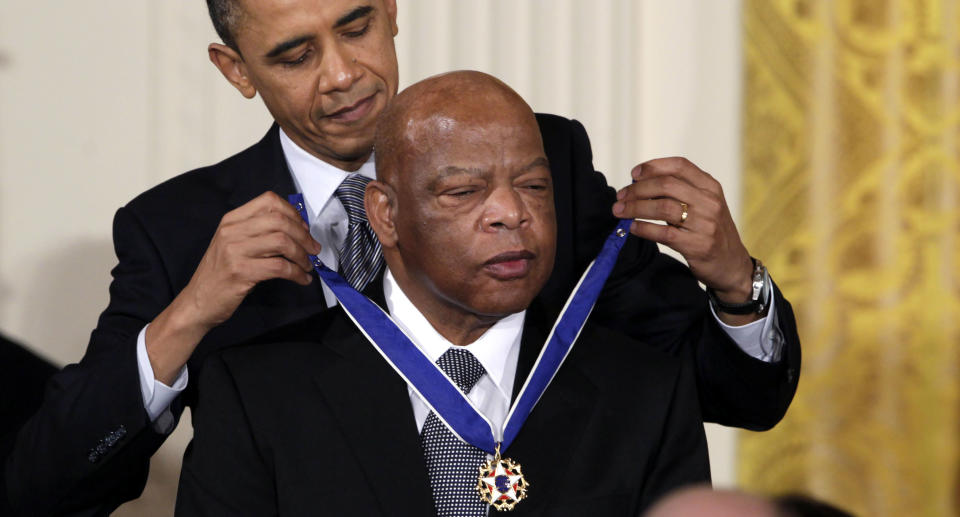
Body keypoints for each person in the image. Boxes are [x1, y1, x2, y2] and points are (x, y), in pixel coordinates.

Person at [4, 0, 800, 514]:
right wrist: (187, 315)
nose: (343, 73)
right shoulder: (180, 228)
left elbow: (731, 392)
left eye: (355, 26)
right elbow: (45, 485)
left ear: (390, 12)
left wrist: (737, 284)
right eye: (294, 54)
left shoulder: (536, 159)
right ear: (236, 70)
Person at [176, 70, 712, 516]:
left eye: (533, 186)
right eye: (464, 191)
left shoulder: (646, 394)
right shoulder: (259, 395)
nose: (511, 213)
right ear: (385, 214)